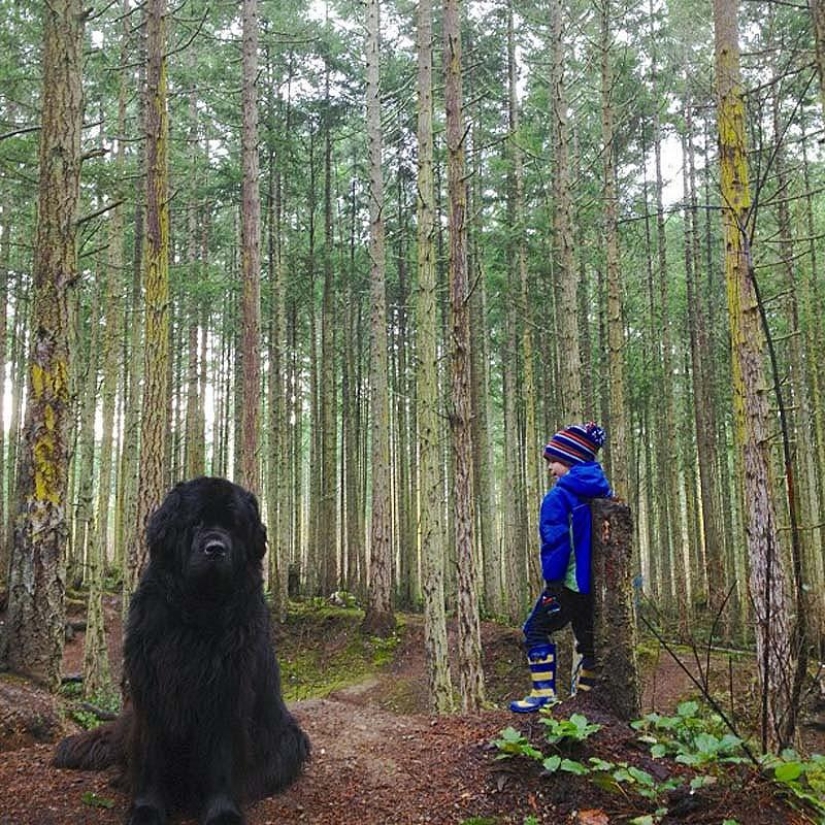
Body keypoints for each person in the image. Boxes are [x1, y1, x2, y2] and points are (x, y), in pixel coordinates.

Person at [509, 421, 612, 713]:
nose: (551, 468)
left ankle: (543, 695)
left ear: (572, 460)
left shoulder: (559, 496)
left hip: (565, 584)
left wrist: (552, 583)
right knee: (588, 641)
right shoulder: (600, 492)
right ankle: (586, 698)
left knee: (535, 629)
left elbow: (555, 541)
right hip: (592, 586)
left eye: (555, 461)